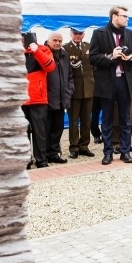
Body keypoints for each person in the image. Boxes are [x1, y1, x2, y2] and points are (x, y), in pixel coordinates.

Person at [89, 6, 132, 165]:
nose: (127, 19)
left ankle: (125, 151)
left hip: (125, 81)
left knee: (126, 118)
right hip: (107, 82)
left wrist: (131, 57)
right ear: (114, 17)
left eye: (127, 17)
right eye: (124, 16)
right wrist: (111, 56)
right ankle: (108, 153)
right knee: (107, 119)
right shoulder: (99, 33)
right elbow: (92, 57)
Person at [22, 33, 56, 169]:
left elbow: (50, 66)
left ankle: (41, 160)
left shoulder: (43, 49)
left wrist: (36, 51)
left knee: (39, 132)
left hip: (38, 99)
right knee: (21, 132)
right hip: (20, 99)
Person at [63, 28, 95, 159]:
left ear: (84, 35)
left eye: (80, 34)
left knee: (87, 120)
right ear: (71, 34)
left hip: (88, 89)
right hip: (74, 90)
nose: (77, 36)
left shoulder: (89, 46)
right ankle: (74, 147)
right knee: (74, 121)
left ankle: (84, 146)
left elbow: (94, 66)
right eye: (75, 34)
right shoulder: (65, 48)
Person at [45, 32, 73, 164]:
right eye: (54, 40)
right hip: (47, 100)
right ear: (48, 40)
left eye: (60, 41)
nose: (57, 43)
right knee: (45, 129)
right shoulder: (43, 53)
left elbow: (70, 76)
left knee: (58, 128)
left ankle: (54, 153)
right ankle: (43, 154)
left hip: (62, 99)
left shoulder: (64, 54)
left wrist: (69, 91)